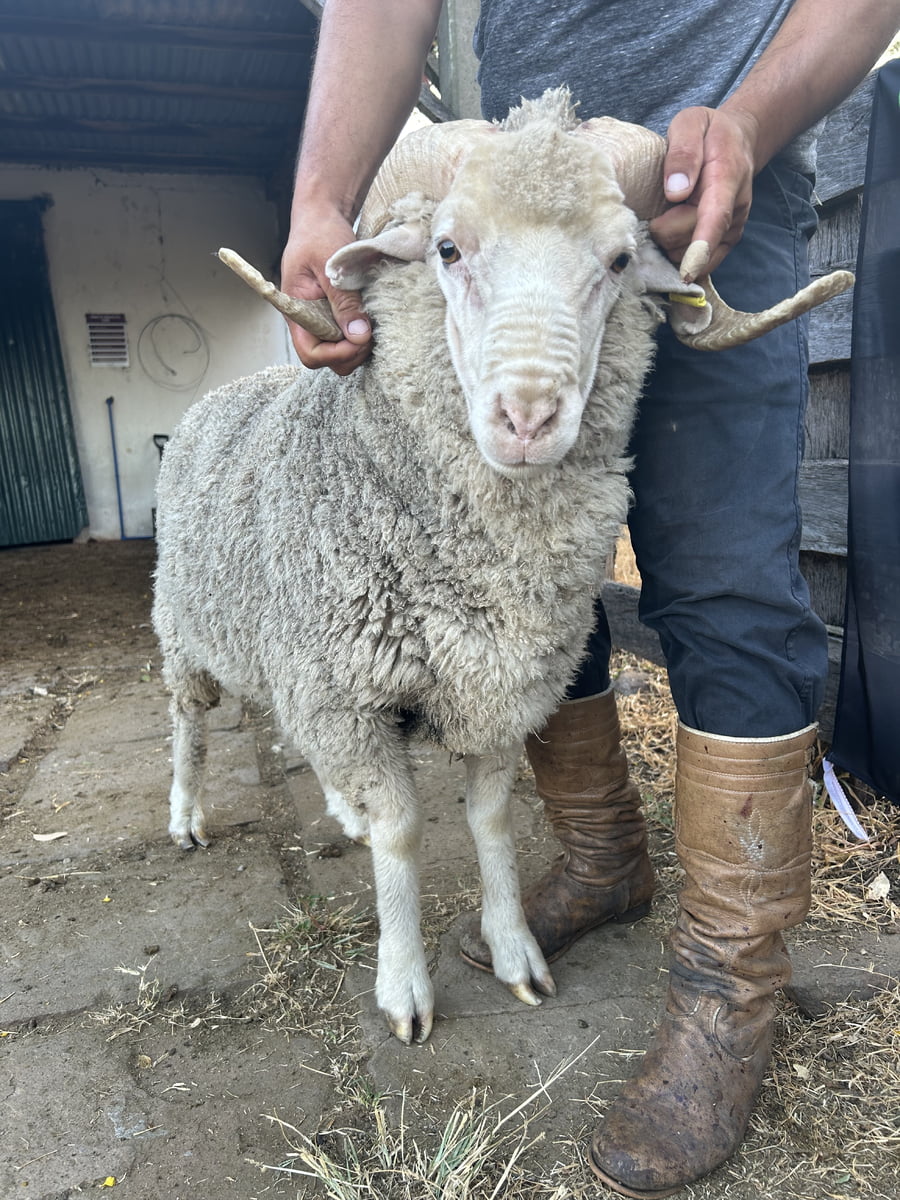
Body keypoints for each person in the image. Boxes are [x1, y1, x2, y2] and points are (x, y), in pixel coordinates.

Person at [280, 3, 900, 1195]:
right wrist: (324, 193)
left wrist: (752, 120)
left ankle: (729, 991)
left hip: (700, 193)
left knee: (724, 580)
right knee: (521, 569)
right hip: (499, 183)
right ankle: (605, 853)